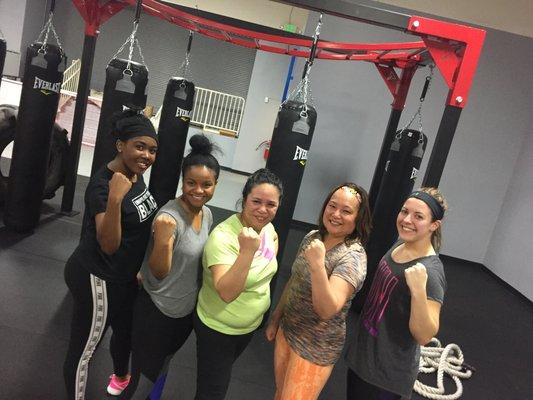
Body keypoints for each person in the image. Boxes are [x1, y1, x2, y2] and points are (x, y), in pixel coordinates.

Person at [63, 109, 158, 400]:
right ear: (120, 145)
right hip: (98, 277)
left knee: (126, 334)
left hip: (125, 277)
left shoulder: (135, 174)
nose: (146, 155)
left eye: (152, 149)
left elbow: (137, 227)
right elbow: (109, 244)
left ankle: (120, 376)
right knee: (84, 351)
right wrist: (116, 197)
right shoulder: (103, 186)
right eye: (139, 146)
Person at [119, 134, 220, 399]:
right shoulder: (168, 218)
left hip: (184, 313)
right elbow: (159, 271)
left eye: (206, 185)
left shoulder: (207, 214)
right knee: (143, 376)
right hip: (157, 312)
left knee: (164, 366)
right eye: (191, 183)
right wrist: (163, 240)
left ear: (215, 184)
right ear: (182, 182)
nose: (198, 190)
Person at [265, 183, 372, 400]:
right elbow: (294, 280)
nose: (336, 214)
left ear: (359, 218)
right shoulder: (313, 237)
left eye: (346, 211)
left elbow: (327, 309)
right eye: (332, 206)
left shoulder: (353, 257)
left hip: (315, 348)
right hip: (289, 331)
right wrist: (276, 317)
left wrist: (317, 265)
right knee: (280, 392)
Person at [345, 187, 448, 400]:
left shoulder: (431, 271)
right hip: (363, 358)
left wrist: (419, 291)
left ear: (434, 225)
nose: (407, 220)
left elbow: (425, 335)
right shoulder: (401, 242)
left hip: (386, 376)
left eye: (418, 216)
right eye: (404, 212)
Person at [194, 168, 283, 400]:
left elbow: (270, 261)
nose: (263, 210)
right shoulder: (223, 237)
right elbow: (226, 292)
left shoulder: (268, 229)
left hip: (246, 328)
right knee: (211, 392)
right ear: (244, 200)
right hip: (218, 330)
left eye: (271, 204)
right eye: (256, 201)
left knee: (215, 381)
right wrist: (247, 252)